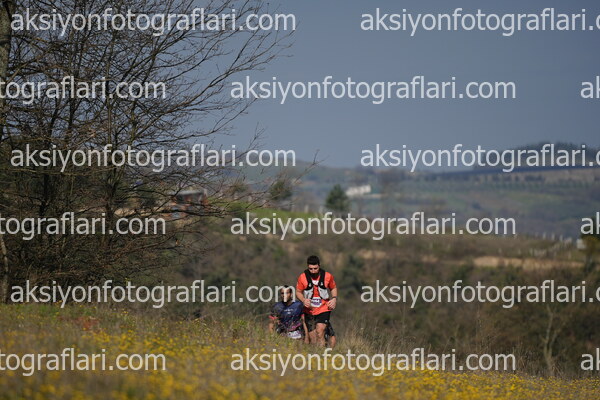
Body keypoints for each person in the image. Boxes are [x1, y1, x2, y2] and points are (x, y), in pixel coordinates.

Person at [296, 255, 337, 346]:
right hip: (309, 310)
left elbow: (333, 288)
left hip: (324, 308)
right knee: (313, 339)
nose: (313, 271)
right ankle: (319, 350)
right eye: (311, 269)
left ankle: (322, 353)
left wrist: (334, 299)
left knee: (320, 331)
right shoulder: (302, 277)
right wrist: (303, 300)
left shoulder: (327, 276)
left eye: (315, 268)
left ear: (319, 266)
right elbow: (298, 292)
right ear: (307, 267)